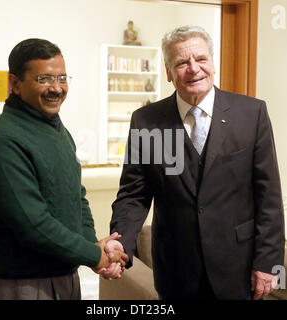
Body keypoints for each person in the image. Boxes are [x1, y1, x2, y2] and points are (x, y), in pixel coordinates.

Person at [106, 25, 285, 300]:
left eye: (201, 59)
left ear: (212, 63)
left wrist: (268, 262)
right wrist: (121, 243)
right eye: (181, 62)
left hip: (238, 267)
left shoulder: (252, 113)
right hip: (175, 269)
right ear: (168, 72)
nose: (193, 68)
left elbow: (269, 195)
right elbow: (134, 194)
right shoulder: (148, 121)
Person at [0, 38, 128, 300]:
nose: (56, 88)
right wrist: (95, 255)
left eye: (62, 78)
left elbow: (76, 196)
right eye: (44, 79)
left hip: (64, 276)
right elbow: (33, 225)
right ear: (15, 84)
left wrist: (91, 245)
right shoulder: (1, 141)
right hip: (21, 285)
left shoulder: (58, 130)